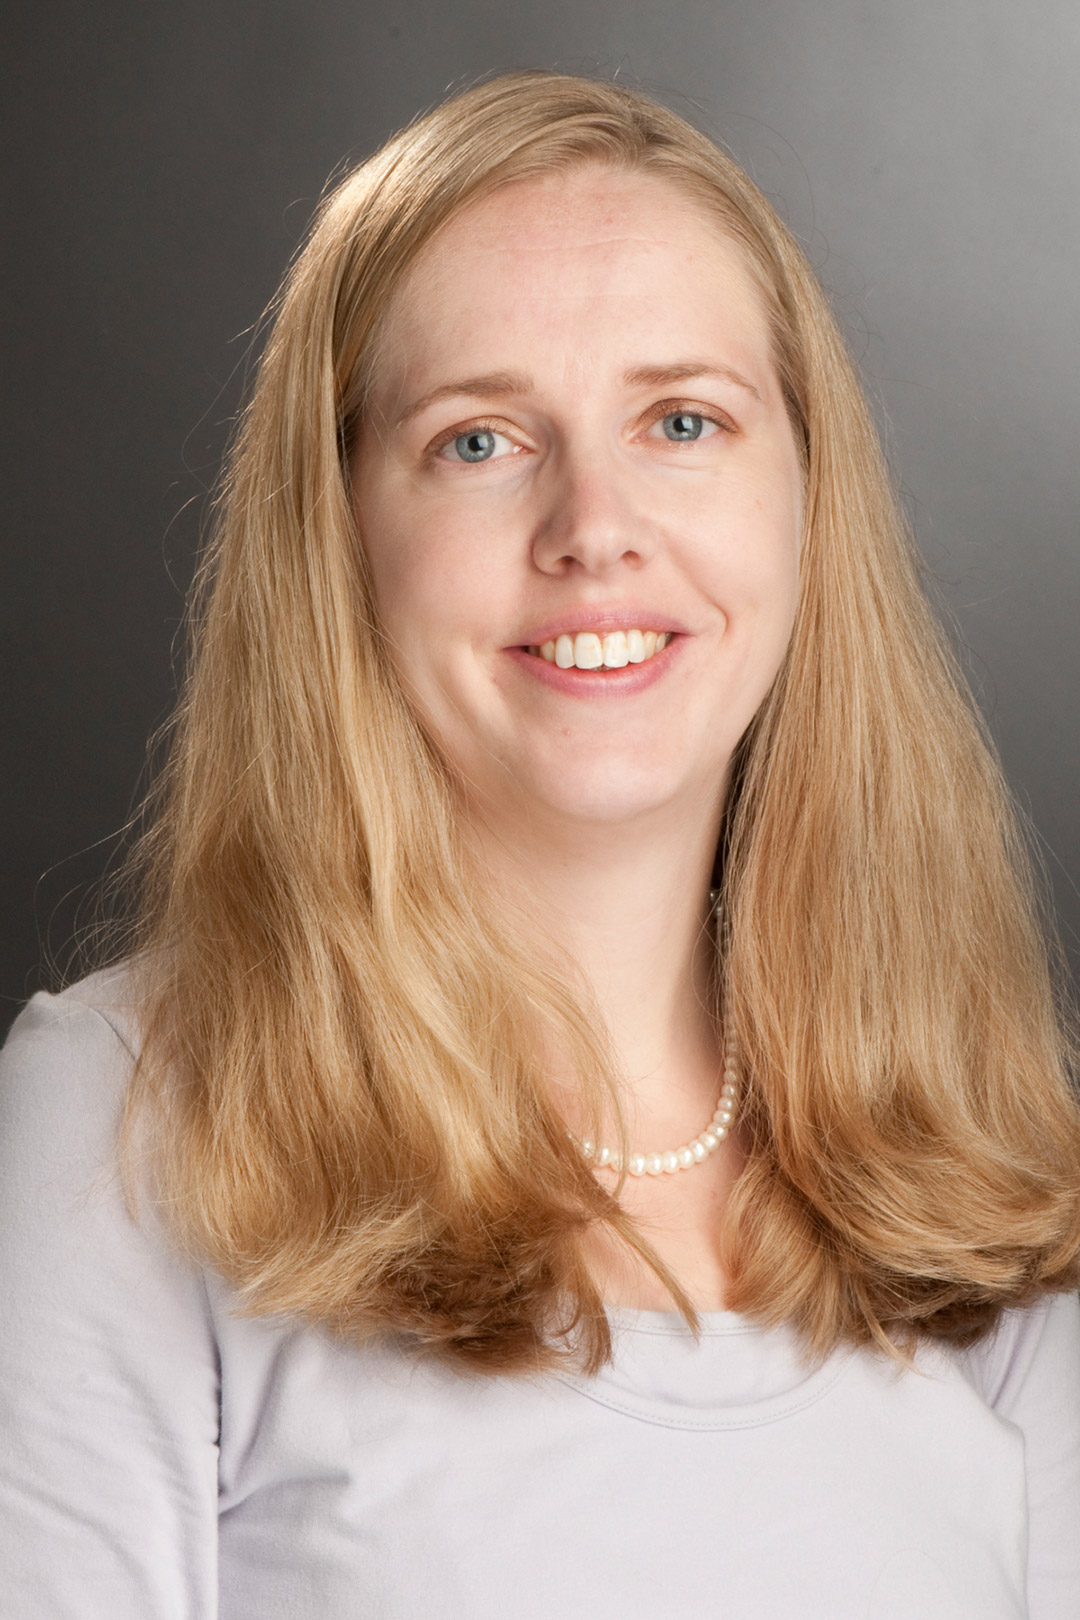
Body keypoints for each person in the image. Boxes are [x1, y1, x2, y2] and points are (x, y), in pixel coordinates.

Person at [2, 70, 1079, 1619]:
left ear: (805, 500)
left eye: (684, 420)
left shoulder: (976, 1187)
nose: (596, 524)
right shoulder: (123, 1125)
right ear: (340, 531)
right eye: (480, 442)